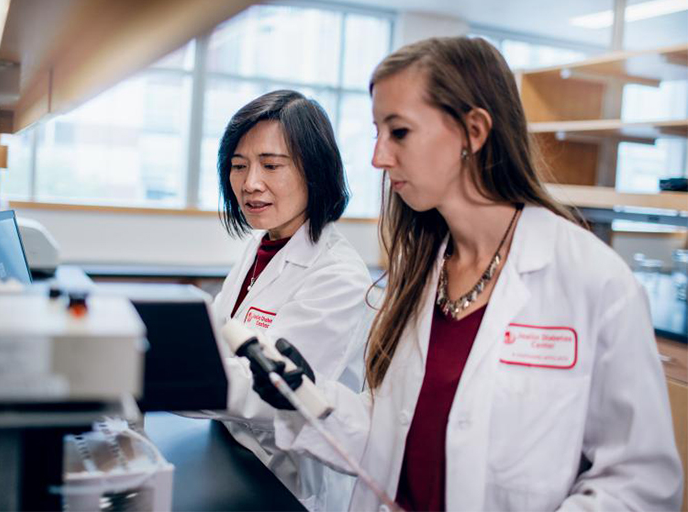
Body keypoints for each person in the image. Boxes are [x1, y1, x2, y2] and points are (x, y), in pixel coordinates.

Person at [254, 38, 683, 511]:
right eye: (377, 132)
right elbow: (397, 429)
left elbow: (640, 482)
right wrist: (305, 398)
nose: (378, 157)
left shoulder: (592, 280)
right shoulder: (421, 269)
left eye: (398, 132)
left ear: (473, 131)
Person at [204, 89, 372, 511]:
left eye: (271, 165)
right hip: (237, 454)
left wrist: (172, 380)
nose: (249, 183)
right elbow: (224, 333)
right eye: (238, 166)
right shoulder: (263, 245)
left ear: (314, 171)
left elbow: (273, 391)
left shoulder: (340, 276)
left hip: (288, 484)